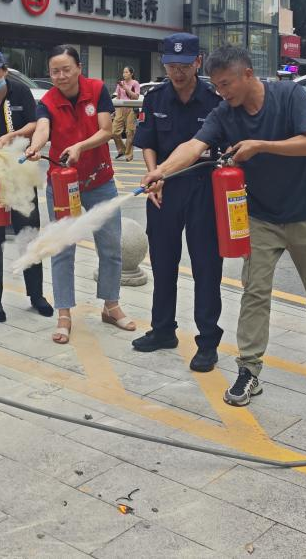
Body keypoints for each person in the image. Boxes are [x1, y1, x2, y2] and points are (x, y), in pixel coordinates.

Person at [143, 44, 306, 407]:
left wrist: (260, 146)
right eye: (217, 86)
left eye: (226, 84)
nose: (221, 92)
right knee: (255, 292)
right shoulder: (224, 113)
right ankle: (249, 369)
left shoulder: (289, 95)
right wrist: (161, 172)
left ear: (247, 74)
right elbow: (193, 146)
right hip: (261, 217)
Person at [130, 34, 224, 372]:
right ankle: (162, 330)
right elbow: (148, 142)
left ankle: (207, 342)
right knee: (163, 263)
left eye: (184, 65)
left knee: (206, 268)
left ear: (198, 62)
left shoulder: (214, 100)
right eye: (171, 65)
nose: (177, 72)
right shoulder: (155, 97)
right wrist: (153, 175)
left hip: (203, 190)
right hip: (163, 191)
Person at [27, 45, 132, 345]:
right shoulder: (48, 101)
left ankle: (110, 305)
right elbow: (43, 129)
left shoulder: (96, 90)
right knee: (63, 249)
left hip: (100, 179)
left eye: (66, 69)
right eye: (54, 71)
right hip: (63, 184)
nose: (60, 76)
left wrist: (80, 147)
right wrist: (36, 145)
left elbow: (106, 130)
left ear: (79, 68)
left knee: (110, 247)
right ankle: (64, 314)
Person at [0, 49, 54, 322]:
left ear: (4, 71)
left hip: (21, 174)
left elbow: (35, 123)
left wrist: (13, 135)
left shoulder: (20, 92)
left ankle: (36, 295)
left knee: (28, 234)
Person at [110, 66, 141, 161]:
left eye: (126, 72)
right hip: (120, 108)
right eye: (124, 72)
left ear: (131, 74)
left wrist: (126, 88)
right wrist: (115, 110)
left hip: (131, 108)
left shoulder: (135, 83)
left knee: (130, 132)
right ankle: (121, 150)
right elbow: (118, 97)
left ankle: (128, 154)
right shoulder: (120, 84)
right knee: (114, 131)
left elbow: (136, 97)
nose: (124, 74)